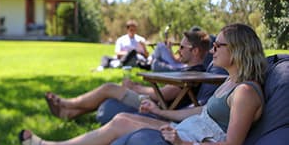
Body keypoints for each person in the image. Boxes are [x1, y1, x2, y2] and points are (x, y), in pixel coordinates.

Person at [19, 23, 266, 145]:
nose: (213, 50)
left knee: (121, 123)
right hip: (188, 129)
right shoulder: (230, 81)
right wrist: (161, 113)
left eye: (218, 46)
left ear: (236, 50)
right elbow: (200, 112)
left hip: (193, 140)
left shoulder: (245, 92)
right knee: (123, 116)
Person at [45, 29, 211, 120]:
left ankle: (67, 103)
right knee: (111, 91)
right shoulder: (191, 71)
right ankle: (69, 113)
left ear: (195, 51)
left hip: (158, 109)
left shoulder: (193, 74)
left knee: (109, 88)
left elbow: (163, 95)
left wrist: (134, 87)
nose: (178, 51)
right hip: (160, 103)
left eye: (182, 47)